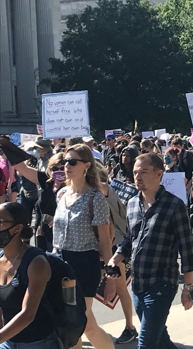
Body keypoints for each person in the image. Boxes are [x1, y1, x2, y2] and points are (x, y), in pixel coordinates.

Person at [108, 153, 193, 349]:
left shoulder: (174, 205)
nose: (138, 176)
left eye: (144, 172)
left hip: (162, 283)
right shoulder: (131, 204)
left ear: (159, 174)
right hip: (139, 283)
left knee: (146, 343)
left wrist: (187, 288)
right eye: (136, 172)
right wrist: (115, 258)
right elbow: (130, 240)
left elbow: (187, 248)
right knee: (160, 340)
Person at [52, 144, 115, 349]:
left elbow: (105, 241)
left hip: (84, 264)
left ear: (86, 165)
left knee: (81, 323)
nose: (66, 166)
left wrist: (110, 276)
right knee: (74, 324)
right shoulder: (61, 194)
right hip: (59, 262)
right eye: (64, 162)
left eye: (72, 162)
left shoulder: (95, 198)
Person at [0, 202, 62, 348]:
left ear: (17, 228)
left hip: (39, 343)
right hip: (8, 341)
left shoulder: (36, 263)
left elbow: (27, 315)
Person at [96, 166, 138, 345]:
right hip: (91, 248)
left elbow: (101, 186)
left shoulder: (105, 189)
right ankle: (86, 326)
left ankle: (130, 326)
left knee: (120, 287)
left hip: (113, 246)